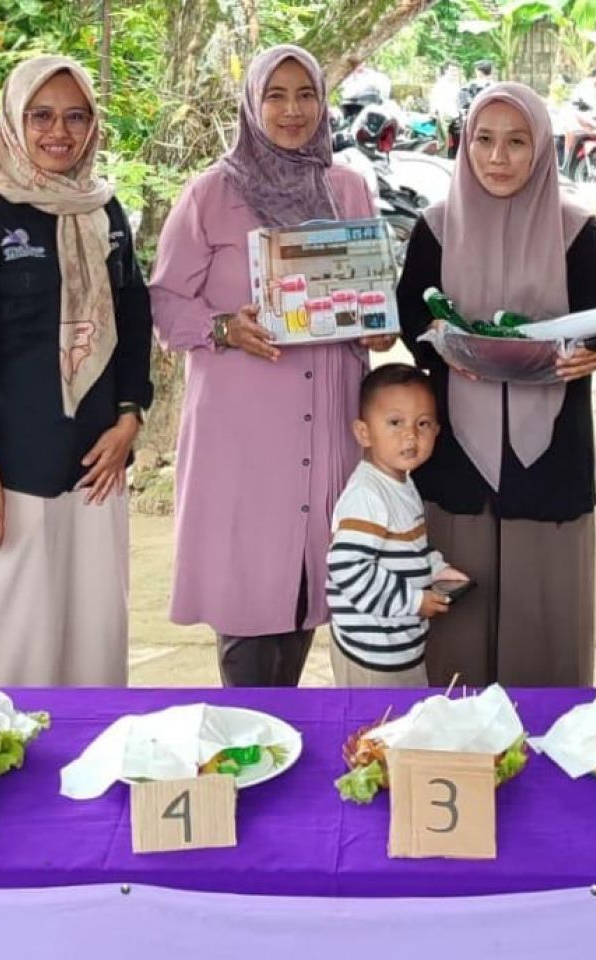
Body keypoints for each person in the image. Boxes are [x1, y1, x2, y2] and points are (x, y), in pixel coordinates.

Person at [149, 45, 392, 687]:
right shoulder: (211, 193)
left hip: (327, 423)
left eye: (305, 94)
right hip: (243, 435)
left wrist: (375, 319)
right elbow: (167, 301)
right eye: (275, 96)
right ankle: (249, 744)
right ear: (253, 106)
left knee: (311, 584)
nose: (292, 110)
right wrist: (225, 327)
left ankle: (281, 742)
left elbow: (371, 296)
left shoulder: (347, 188)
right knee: (250, 602)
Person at [397, 82, 596, 687]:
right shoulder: (436, 228)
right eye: (484, 139)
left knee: (543, 627)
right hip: (454, 455)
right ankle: (457, 751)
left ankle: (546, 756)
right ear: (464, 145)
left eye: (516, 142)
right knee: (457, 624)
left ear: (542, 150)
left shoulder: (576, 231)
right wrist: (441, 338)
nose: (497, 157)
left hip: (549, 456)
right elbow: (409, 316)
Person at [0, 55, 152, 686]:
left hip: (98, 465)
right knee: (12, 644)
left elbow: (133, 320)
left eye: (76, 116)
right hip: (12, 469)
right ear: (13, 121)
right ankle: (5, 766)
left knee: (94, 641)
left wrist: (129, 419)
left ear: (92, 127)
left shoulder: (104, 213)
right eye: (42, 116)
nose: (59, 132)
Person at [326, 364, 469, 687]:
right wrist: (414, 601)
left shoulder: (401, 483)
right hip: (371, 654)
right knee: (377, 733)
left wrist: (436, 569)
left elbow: (412, 544)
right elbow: (348, 568)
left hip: (399, 645)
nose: (410, 435)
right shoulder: (367, 495)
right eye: (395, 423)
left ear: (437, 430)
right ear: (364, 432)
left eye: (423, 424)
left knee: (402, 728)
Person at [561, 66, 596, 169]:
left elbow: (593, 108)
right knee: (573, 134)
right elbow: (588, 105)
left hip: (581, 115)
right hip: (574, 115)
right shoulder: (587, 85)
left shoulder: (592, 87)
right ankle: (565, 162)